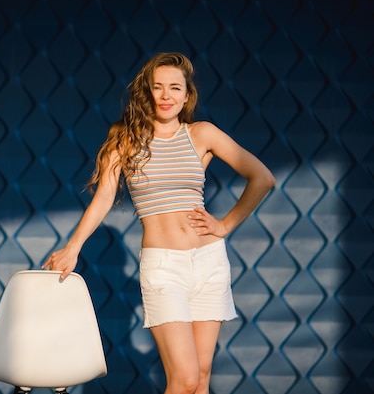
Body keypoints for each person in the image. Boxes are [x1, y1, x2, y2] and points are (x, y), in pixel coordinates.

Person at [42, 52, 275, 394]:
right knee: (183, 378)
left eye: (175, 88)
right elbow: (104, 197)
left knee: (201, 378)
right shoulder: (124, 139)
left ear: (186, 94)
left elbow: (262, 178)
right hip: (164, 267)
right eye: (158, 87)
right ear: (147, 92)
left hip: (209, 261)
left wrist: (225, 226)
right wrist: (73, 246)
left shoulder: (202, 134)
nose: (166, 95)